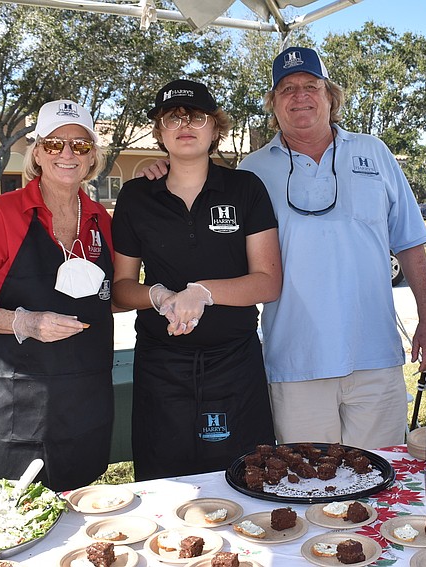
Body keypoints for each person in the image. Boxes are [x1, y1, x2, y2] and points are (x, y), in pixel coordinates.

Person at [142, 47, 426, 450]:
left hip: (376, 358)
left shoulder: (375, 153)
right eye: (286, 89)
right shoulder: (250, 172)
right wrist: (161, 170)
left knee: (380, 481)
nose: (299, 96)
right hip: (293, 363)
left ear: (330, 97)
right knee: (307, 488)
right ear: (273, 103)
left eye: (310, 86)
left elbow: (409, 243)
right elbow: (201, 200)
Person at [112, 79, 281, 480]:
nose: (185, 125)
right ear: (159, 131)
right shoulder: (136, 196)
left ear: (215, 129)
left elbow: (268, 281)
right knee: (165, 486)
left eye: (198, 117)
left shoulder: (245, 188)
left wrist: (203, 292)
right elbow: (120, 289)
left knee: (246, 479)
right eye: (173, 118)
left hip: (234, 364)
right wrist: (158, 295)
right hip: (161, 366)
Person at [0, 99, 115, 492]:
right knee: (14, 519)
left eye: (80, 145)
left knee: (82, 518)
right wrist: (25, 321)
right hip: (19, 401)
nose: (67, 154)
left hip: (86, 398)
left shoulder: (101, 219)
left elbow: (112, 295)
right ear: (37, 153)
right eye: (54, 144)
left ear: (92, 158)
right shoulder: (3, 212)